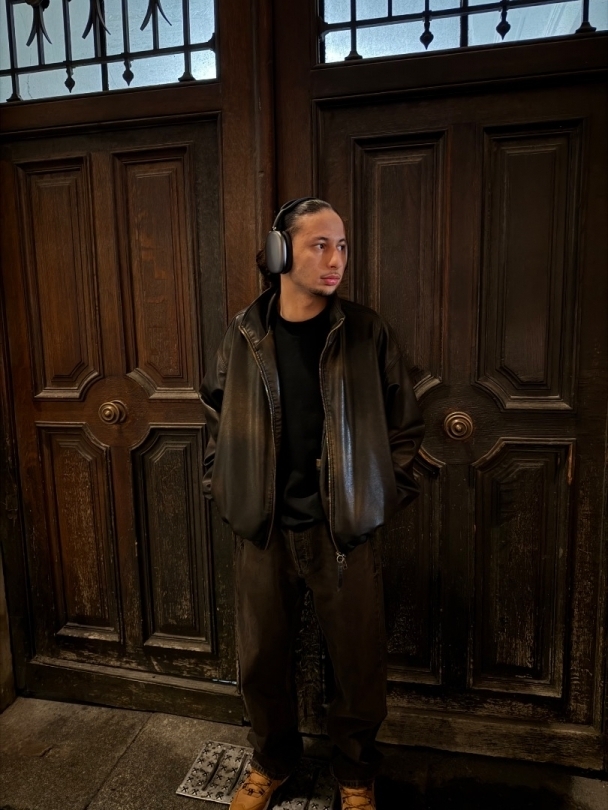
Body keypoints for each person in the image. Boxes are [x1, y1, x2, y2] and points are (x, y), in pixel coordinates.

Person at [200, 198, 425, 810]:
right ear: (280, 252)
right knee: (261, 663)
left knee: (356, 668)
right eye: (319, 244)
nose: (336, 259)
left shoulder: (367, 332)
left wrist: (377, 498)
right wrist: (224, 487)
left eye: (342, 245)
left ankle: (355, 775)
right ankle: (271, 763)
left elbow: (406, 427)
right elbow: (216, 416)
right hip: (265, 531)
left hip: (343, 533)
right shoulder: (244, 333)